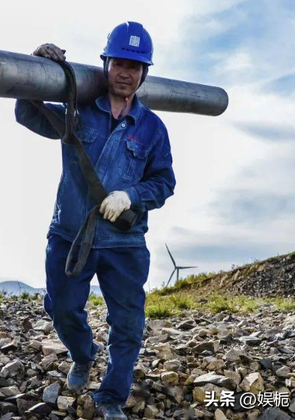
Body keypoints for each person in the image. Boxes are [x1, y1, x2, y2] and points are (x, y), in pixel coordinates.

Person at [14, 21, 176, 420]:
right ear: (106, 64)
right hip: (71, 234)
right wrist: (37, 69)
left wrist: (131, 195)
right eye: (119, 62)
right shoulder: (79, 109)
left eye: (135, 66)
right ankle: (83, 355)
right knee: (62, 308)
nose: (126, 72)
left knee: (129, 325)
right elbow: (26, 115)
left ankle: (111, 397)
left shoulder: (153, 128)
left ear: (144, 73)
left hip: (125, 243)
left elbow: (165, 181)